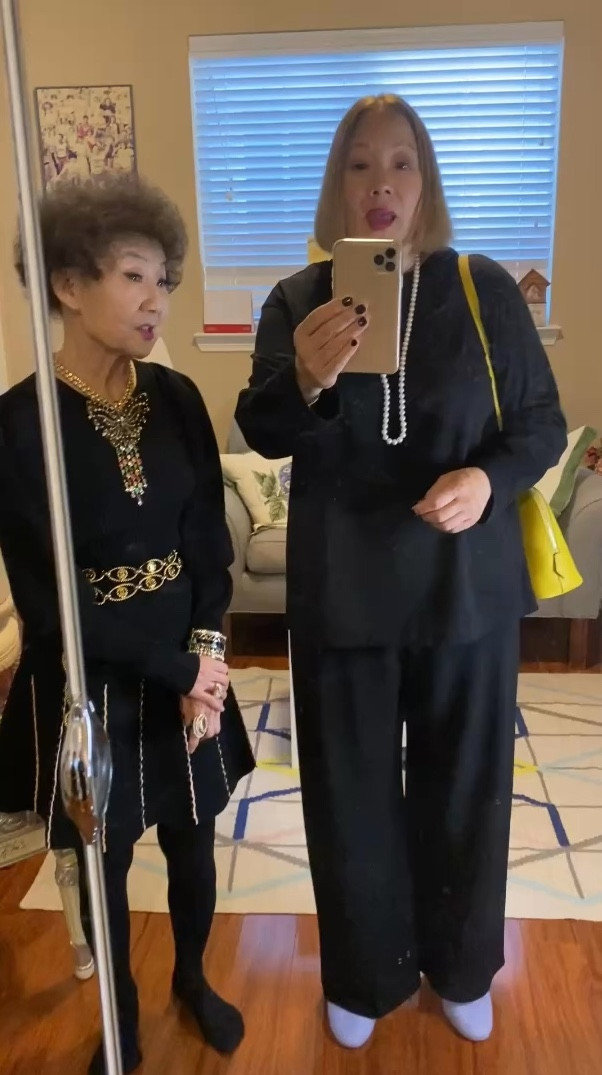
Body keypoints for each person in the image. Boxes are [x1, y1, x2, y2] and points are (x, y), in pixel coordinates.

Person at [235, 94, 567, 1049]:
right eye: (359, 165)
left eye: (402, 165)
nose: (381, 184)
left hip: (465, 585)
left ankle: (461, 964)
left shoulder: (482, 287)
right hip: (343, 589)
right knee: (349, 786)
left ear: (427, 183)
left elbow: (539, 424)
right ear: (336, 182)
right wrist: (301, 377)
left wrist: (486, 477)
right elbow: (262, 430)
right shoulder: (296, 299)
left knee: (469, 783)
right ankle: (363, 971)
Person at [0, 173, 254, 1074]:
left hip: (188, 663)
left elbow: (208, 549)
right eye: (136, 277)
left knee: (193, 841)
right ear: (69, 284)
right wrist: (177, 671)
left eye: (166, 282)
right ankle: (122, 1010)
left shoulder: (179, 399)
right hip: (90, 681)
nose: (158, 301)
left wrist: (207, 659)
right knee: (102, 867)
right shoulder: (16, 426)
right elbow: (47, 605)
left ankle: (192, 976)